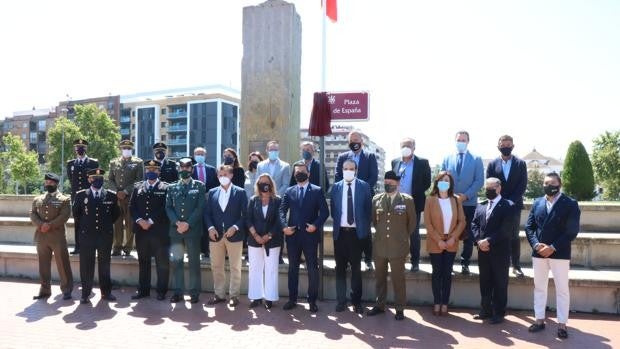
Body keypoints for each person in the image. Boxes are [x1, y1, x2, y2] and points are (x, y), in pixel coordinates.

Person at [525, 172, 580, 339]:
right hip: (539, 252)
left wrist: (553, 247)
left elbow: (571, 231)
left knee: (562, 289)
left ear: (559, 184)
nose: (548, 186)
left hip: (560, 252)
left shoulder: (570, 203)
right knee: (539, 287)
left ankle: (562, 324)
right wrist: (536, 244)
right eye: (545, 183)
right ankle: (539, 320)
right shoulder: (537, 202)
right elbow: (529, 227)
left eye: (552, 183)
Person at [279, 161, 329, 313]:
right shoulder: (289, 191)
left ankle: (312, 300)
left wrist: (315, 225)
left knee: (312, 269)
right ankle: (292, 299)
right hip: (293, 236)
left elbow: (325, 212)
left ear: (308, 174)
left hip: (310, 235)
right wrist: (284, 227)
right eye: (296, 172)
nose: (299, 174)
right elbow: (282, 210)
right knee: (292, 268)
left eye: (302, 171)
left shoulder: (317, 190)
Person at [367, 171, 416, 321]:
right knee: (380, 278)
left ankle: (400, 308)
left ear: (398, 184)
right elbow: (374, 221)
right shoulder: (376, 199)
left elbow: (412, 223)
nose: (388, 185)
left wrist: (401, 237)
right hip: (380, 246)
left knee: (398, 279)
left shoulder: (407, 200)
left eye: (391, 183)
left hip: (398, 247)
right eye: (386, 183)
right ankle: (380, 305)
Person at [72, 168, 120, 304]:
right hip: (87, 236)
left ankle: (106, 292)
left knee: (105, 264)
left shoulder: (111, 195)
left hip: (105, 236)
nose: (97, 180)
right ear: (89, 180)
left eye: (100, 178)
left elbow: (116, 214)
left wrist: (105, 225)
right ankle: (85, 294)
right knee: (86, 265)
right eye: (94, 178)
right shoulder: (81, 195)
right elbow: (76, 214)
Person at [471, 177, 515, 324]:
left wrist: (488, 241)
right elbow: (474, 224)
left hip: (499, 251)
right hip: (483, 250)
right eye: (487, 188)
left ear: (499, 188)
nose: (489, 191)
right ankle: (485, 310)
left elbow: (506, 229)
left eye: (492, 188)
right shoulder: (481, 205)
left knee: (500, 283)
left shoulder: (508, 205)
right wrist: (478, 241)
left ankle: (498, 312)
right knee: (485, 281)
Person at [330, 159, 371, 314]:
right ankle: (341, 301)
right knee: (340, 269)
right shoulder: (336, 187)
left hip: (356, 234)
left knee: (356, 269)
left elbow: (368, 211)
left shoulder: (364, 186)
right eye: (345, 168)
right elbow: (334, 211)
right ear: (342, 169)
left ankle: (356, 301)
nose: (348, 170)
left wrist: (363, 230)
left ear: (356, 170)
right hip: (340, 233)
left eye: (351, 168)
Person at [204, 164, 248, 307]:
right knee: (216, 266)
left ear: (231, 175)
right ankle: (219, 294)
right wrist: (210, 228)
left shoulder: (240, 192)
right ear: (217, 176)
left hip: (234, 236)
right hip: (215, 236)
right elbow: (207, 214)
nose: (223, 177)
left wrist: (235, 227)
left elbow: (245, 215)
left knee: (235, 266)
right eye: (220, 175)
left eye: (225, 175)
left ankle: (234, 295)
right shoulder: (212, 192)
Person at [441, 131, 484, 275]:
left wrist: (466, 196)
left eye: (463, 140)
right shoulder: (447, 158)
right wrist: (450, 195)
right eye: (458, 139)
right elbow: (442, 178)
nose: (461, 141)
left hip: (469, 203)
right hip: (450, 202)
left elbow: (479, 181)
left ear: (468, 141)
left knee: (468, 235)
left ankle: (465, 263)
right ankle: (449, 263)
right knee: (449, 233)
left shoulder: (476, 159)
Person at [334, 130, 378, 270]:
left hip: (364, 197)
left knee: (365, 228)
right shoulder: (342, 157)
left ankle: (368, 258)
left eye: (357, 140)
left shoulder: (370, 156)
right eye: (352, 140)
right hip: (346, 195)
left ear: (362, 141)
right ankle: (345, 260)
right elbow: (337, 175)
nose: (354, 143)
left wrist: (360, 189)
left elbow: (374, 177)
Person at [424, 171, 465, 316]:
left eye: (447, 180)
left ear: (450, 184)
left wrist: (453, 237)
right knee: (437, 273)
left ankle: (445, 303)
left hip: (451, 242)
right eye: (442, 180)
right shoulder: (430, 200)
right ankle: (436, 302)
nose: (444, 182)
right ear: (437, 182)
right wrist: (439, 240)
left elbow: (462, 221)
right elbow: (428, 223)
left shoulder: (455, 200)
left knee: (447, 274)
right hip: (436, 242)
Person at [486, 135, 527, 277]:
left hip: (514, 206)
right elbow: (490, 184)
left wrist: (510, 201)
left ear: (513, 146)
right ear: (498, 146)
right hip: (497, 205)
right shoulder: (492, 164)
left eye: (509, 144)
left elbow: (522, 185)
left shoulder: (521, 164)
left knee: (514, 236)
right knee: (497, 234)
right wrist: (500, 201)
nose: (506, 147)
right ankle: (498, 263)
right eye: (503, 144)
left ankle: (516, 265)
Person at [165, 157, 206, 303]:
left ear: (192, 169)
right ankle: (178, 292)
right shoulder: (171, 187)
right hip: (176, 231)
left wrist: (187, 224)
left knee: (194, 262)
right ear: (178, 169)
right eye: (182, 167)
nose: (184, 169)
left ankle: (194, 293)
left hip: (192, 230)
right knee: (177, 262)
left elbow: (200, 208)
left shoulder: (199, 186)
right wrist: (177, 223)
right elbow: (168, 207)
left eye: (188, 167)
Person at [129, 160, 170, 301]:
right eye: (148, 169)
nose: (151, 171)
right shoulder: (138, 187)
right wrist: (140, 220)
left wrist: (151, 221)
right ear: (145, 171)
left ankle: (161, 291)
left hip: (159, 231)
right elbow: (132, 207)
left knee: (162, 262)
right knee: (143, 261)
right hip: (142, 231)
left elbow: (165, 208)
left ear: (159, 171)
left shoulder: (165, 187)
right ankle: (143, 290)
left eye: (154, 169)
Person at [29, 173, 73, 300]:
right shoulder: (38, 199)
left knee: (62, 264)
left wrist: (50, 225)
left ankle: (66, 289)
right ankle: (44, 290)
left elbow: (65, 215)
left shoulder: (64, 199)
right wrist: (40, 224)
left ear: (56, 183)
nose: (48, 184)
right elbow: (32, 213)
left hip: (57, 236)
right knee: (43, 265)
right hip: (41, 236)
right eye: (46, 182)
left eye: (51, 182)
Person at [390, 137, 431, 272]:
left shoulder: (423, 163)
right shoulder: (395, 162)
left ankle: (415, 262)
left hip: (414, 203)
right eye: (403, 145)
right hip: (397, 203)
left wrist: (414, 193)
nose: (405, 148)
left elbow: (427, 183)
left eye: (408, 145)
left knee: (413, 234)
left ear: (414, 147)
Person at [246, 173, 282, 309]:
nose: (264, 185)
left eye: (266, 182)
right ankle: (256, 297)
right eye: (261, 183)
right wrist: (256, 235)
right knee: (255, 269)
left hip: (272, 241)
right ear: (257, 185)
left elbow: (279, 220)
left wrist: (268, 236)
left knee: (271, 269)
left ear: (271, 185)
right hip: (254, 240)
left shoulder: (277, 200)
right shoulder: (253, 200)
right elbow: (248, 219)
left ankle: (270, 298)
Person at [109, 139, 144, 256]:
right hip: (117, 198)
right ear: (121, 149)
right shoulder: (114, 162)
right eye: (124, 148)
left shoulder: (138, 162)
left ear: (131, 149)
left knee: (130, 224)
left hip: (130, 198)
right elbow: (110, 179)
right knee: (117, 223)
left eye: (128, 148)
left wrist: (125, 191)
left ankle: (128, 247)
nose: (126, 150)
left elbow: (139, 180)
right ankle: (117, 247)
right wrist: (116, 191)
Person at [66, 138, 99, 255]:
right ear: (75, 149)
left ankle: (91, 246)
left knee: (91, 222)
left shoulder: (93, 163)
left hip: (89, 196)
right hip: (76, 198)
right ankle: (78, 246)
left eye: (82, 147)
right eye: (77, 147)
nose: (80, 149)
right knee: (78, 222)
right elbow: (71, 180)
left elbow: (96, 179)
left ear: (86, 149)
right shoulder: (70, 163)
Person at [192, 146, 219, 260]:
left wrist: (210, 193)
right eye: (198, 154)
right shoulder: (191, 169)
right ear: (194, 156)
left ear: (205, 156)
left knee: (207, 225)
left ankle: (206, 250)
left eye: (202, 154)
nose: (200, 156)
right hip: (194, 202)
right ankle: (194, 250)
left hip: (208, 202)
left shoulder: (212, 169)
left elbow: (216, 185)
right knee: (195, 226)